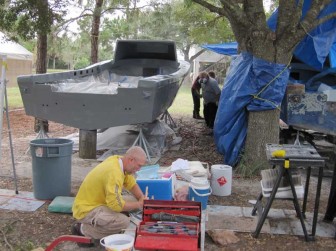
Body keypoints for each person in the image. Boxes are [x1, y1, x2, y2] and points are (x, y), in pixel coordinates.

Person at [71, 146, 148, 246]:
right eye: (139, 166)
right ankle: (82, 229)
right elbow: (116, 205)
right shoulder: (114, 172)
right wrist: (138, 204)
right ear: (131, 160)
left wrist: (141, 198)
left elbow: (131, 183)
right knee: (123, 222)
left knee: (133, 199)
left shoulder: (119, 161)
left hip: (99, 201)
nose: (139, 169)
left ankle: (108, 222)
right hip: (86, 209)